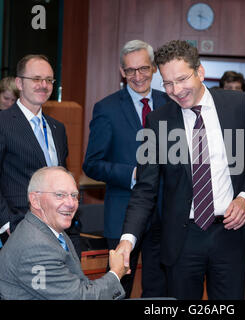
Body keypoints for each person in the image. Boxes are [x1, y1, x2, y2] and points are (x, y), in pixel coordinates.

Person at [117, 40, 245, 299]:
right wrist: (127, 239)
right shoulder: (159, 121)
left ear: (200, 72)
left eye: (182, 79)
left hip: (229, 234)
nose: (176, 90)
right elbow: (145, 188)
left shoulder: (236, 105)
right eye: (167, 83)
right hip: (182, 238)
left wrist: (244, 199)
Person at [83, 40, 170, 298]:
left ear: (154, 68)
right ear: (122, 72)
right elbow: (92, 164)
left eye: (143, 68)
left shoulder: (171, 104)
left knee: (158, 289)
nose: (137, 76)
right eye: (130, 70)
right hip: (122, 214)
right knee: (120, 290)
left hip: (165, 215)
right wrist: (131, 174)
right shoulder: (106, 108)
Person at [0, 166, 127, 300]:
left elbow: (78, 285)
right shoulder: (36, 247)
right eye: (60, 195)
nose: (71, 203)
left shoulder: (50, 230)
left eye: (74, 195)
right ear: (35, 200)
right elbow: (80, 298)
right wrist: (116, 273)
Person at [0, 55, 75, 250]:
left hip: (57, 229)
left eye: (49, 80)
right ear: (19, 83)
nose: (43, 85)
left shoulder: (58, 128)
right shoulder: (3, 123)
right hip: (18, 227)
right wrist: (5, 222)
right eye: (36, 79)